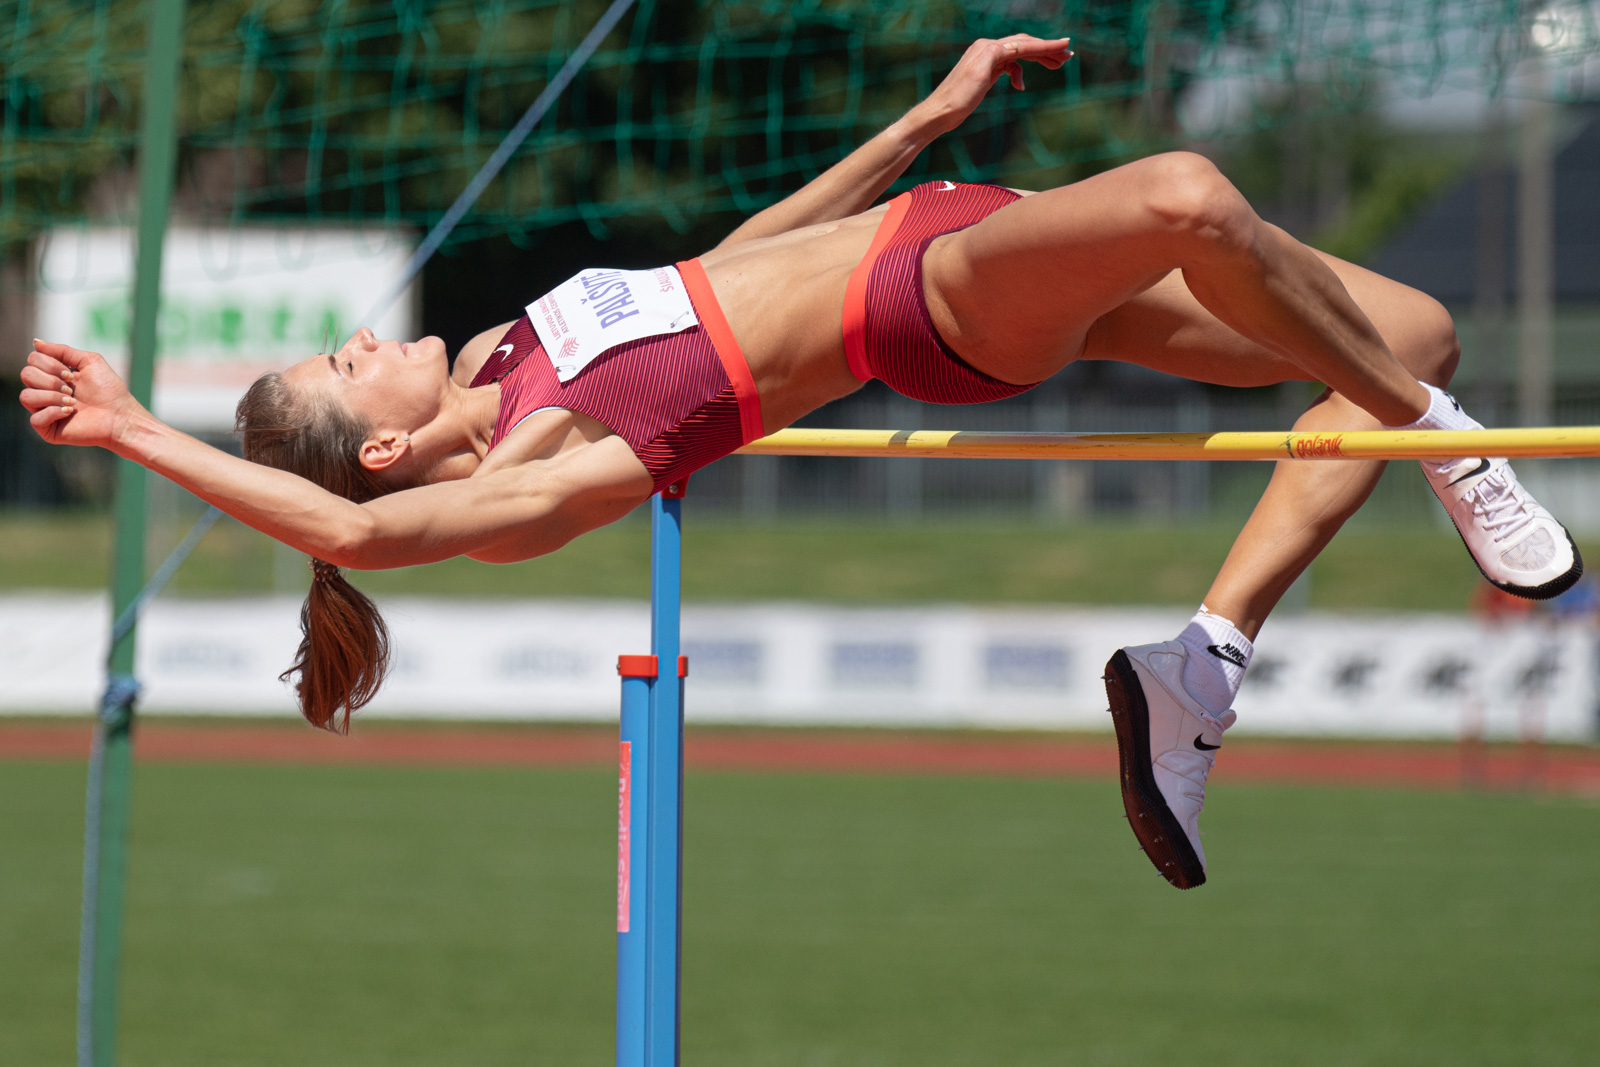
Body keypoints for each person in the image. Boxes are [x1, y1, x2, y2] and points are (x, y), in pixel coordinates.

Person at [20, 35, 1579, 889]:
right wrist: (135, 425)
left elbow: (735, 263)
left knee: (1406, 332)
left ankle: (1202, 665)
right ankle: (1456, 460)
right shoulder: (552, 469)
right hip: (933, 299)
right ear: (378, 440)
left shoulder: (510, 353)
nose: (367, 335)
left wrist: (917, 121)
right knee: (1185, 190)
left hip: (942, 223)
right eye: (345, 363)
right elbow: (352, 544)